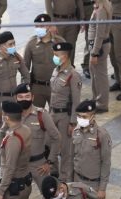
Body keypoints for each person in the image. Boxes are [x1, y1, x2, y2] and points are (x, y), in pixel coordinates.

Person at [0, 31, 29, 156]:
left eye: (14, 43)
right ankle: (2, 162)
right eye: (10, 44)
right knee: (2, 132)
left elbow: (26, 75)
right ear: (1, 45)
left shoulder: (16, 57)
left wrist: (22, 90)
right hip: (1, 102)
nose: (13, 46)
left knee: (18, 129)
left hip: (15, 100)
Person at [17, 82, 60, 190]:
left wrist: (49, 162)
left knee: (48, 193)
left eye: (27, 96)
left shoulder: (41, 115)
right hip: (19, 165)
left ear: (32, 97)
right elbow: (2, 135)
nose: (24, 99)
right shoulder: (12, 115)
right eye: (20, 97)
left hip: (39, 165)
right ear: (15, 98)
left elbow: (57, 138)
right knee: (18, 196)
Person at [67, 99, 112, 199]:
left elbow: (106, 163)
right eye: (79, 116)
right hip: (77, 181)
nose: (80, 119)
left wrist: (102, 188)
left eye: (84, 117)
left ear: (93, 116)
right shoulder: (76, 132)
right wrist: (69, 182)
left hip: (93, 184)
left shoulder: (102, 135)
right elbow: (71, 158)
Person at [50, 41, 81, 180]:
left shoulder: (73, 75)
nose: (55, 57)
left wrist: (73, 122)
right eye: (54, 54)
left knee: (65, 150)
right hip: (53, 113)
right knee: (51, 143)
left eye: (57, 55)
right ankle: (54, 171)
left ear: (66, 56)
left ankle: (65, 179)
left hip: (65, 116)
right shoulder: (56, 70)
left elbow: (76, 101)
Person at [23, 14, 63, 108]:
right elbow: (25, 68)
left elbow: (66, 66)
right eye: (37, 26)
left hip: (56, 87)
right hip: (37, 88)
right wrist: (25, 87)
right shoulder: (31, 44)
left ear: (49, 26)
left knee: (57, 114)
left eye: (42, 26)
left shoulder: (60, 42)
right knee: (36, 115)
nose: (39, 29)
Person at [87, 0, 111, 112]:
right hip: (95, 46)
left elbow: (100, 34)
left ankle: (102, 104)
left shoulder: (101, 10)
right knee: (94, 73)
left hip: (99, 47)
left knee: (100, 76)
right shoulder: (98, 6)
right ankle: (95, 99)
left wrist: (95, 53)